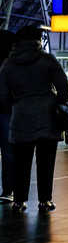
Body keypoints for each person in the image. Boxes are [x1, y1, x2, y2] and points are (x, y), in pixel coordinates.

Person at [0, 25, 68, 212]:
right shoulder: (47, 60)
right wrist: (55, 100)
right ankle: (45, 200)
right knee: (46, 161)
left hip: (20, 117)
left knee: (20, 161)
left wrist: (17, 104)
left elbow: (3, 96)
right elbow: (64, 89)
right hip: (46, 117)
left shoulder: (7, 64)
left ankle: (19, 201)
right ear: (37, 41)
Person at [0, 29, 15, 204]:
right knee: (9, 151)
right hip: (6, 110)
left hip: (4, 108)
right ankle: (8, 190)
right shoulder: (10, 63)